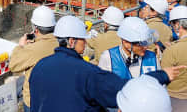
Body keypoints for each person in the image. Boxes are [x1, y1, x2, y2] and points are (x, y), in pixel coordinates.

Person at [29, 15, 184, 112]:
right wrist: (162, 75)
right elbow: (125, 90)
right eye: (83, 39)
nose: (85, 42)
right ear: (71, 41)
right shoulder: (87, 71)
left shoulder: (40, 67)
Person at [9, 5, 58, 112]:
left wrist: (21, 46)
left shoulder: (31, 50)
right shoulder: (62, 43)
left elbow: (13, 65)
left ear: (35, 29)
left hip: (35, 102)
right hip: (57, 99)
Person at [161, 5, 187, 111]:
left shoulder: (172, 50)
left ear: (177, 25)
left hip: (176, 100)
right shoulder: (174, 48)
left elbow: (163, 76)